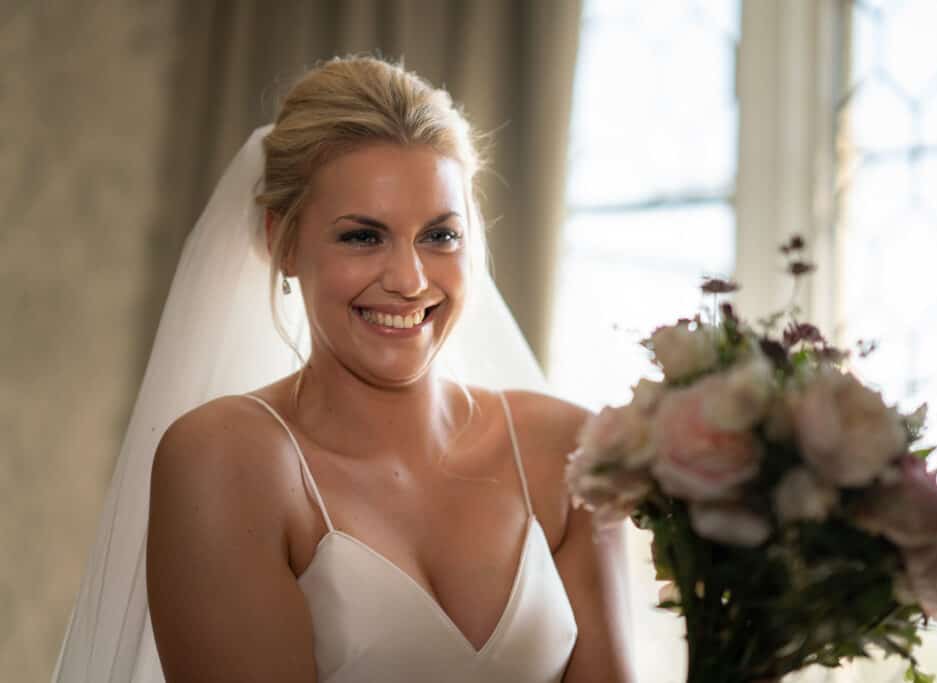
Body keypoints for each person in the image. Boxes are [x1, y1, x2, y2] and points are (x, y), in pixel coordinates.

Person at [53, 56, 634, 683]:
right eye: (363, 237)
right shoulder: (226, 460)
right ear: (284, 242)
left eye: (440, 236)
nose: (410, 281)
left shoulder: (568, 450)